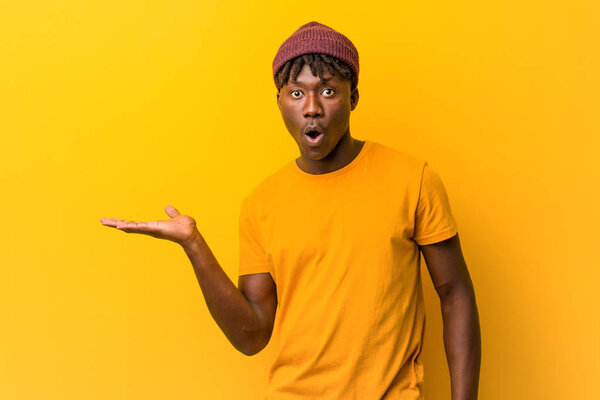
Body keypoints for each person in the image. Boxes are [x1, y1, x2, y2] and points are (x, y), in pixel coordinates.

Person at [100, 21, 481, 400]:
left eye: (328, 90)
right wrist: (194, 245)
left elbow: (455, 293)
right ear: (279, 101)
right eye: (297, 93)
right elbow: (252, 336)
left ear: (354, 97)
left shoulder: (413, 179)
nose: (312, 108)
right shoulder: (261, 204)